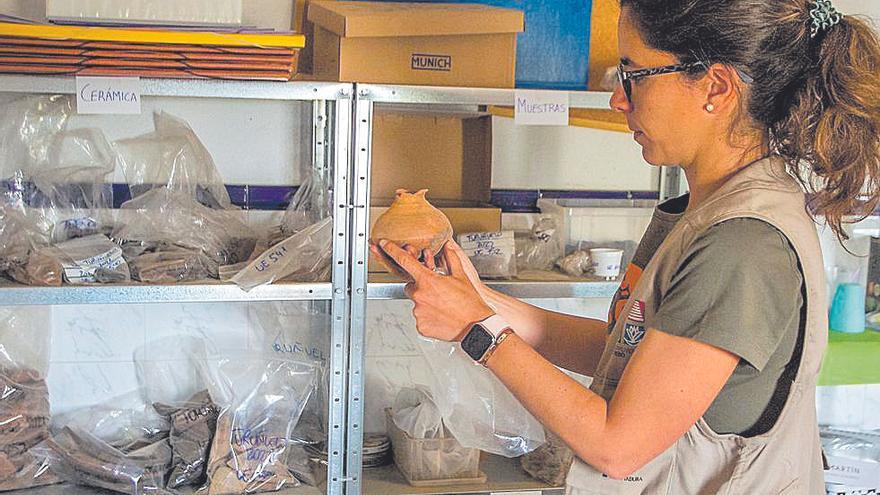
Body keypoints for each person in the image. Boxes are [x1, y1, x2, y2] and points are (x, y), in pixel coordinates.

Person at [371, 0, 880, 492]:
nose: (619, 99)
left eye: (633, 74)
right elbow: (627, 355)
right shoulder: (710, 211)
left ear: (715, 87)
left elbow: (618, 445)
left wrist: (474, 329)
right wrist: (476, 298)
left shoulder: (743, 244)